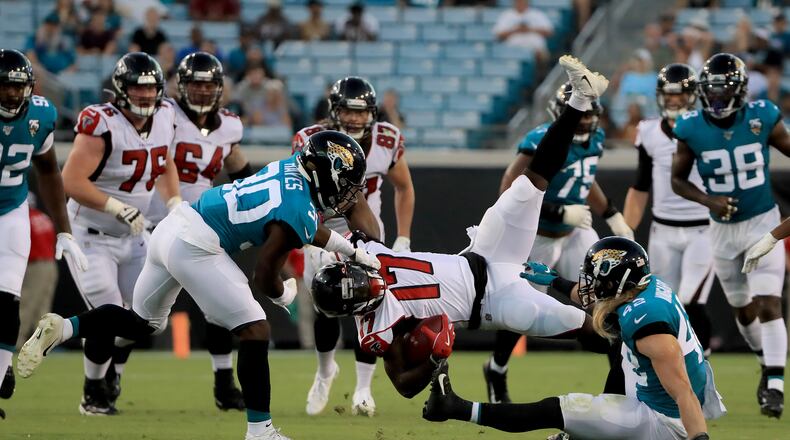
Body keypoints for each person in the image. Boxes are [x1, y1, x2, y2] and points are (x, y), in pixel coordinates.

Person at [18, 130, 382, 440]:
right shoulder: (298, 210)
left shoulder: (289, 169)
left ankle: (64, 327)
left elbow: (305, 225)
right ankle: (260, 432)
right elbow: (264, 274)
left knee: (141, 323)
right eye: (345, 182)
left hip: (174, 227)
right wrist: (283, 293)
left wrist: (347, 248)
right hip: (195, 244)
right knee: (256, 330)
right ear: (324, 173)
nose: (348, 192)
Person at [309, 55, 610, 400]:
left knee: (530, 184)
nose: (366, 286)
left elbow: (354, 203)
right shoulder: (373, 328)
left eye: (356, 281)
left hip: (483, 252)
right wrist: (434, 359)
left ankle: (580, 98)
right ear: (352, 311)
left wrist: (333, 187)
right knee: (585, 328)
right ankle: (638, 357)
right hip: (494, 303)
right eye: (359, 294)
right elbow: (404, 384)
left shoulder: (363, 252)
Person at [422, 237, 725, 440]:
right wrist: (555, 280)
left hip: (666, 422)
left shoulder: (647, 324)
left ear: (618, 280)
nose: (592, 284)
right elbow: (599, 304)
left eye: (598, 277)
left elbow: (682, 391)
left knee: (557, 409)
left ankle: (454, 407)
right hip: (663, 394)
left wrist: (698, 438)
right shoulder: (645, 290)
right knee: (619, 348)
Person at [486, 80, 633, 404]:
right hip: (538, 234)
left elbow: (585, 176)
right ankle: (497, 367)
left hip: (576, 232)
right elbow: (509, 187)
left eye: (588, 115)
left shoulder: (595, 138)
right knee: (520, 309)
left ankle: (619, 386)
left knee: (605, 300)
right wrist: (556, 209)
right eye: (578, 115)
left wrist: (611, 212)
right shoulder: (540, 138)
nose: (584, 121)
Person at [58, 52, 182, 416]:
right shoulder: (102, 123)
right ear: (120, 89)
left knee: (148, 319)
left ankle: (113, 375)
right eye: (136, 88)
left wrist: (173, 202)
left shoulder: (166, 117)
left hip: (134, 235)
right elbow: (70, 180)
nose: (145, 96)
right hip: (90, 234)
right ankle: (93, 389)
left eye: (150, 89)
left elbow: (163, 161)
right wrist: (114, 206)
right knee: (110, 314)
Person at [671, 53, 790, 418]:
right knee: (744, 308)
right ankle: (763, 360)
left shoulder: (762, 116)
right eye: (712, 93)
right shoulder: (690, 127)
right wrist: (707, 199)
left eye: (724, 93)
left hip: (762, 222)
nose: (717, 100)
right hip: (721, 232)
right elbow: (676, 179)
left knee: (769, 301)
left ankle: (775, 385)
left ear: (739, 92)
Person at [293, 76, 415, 417]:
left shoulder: (386, 139)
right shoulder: (311, 140)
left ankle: (363, 387)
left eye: (362, 113)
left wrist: (402, 237)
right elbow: (297, 189)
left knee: (370, 303)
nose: (356, 119)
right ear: (334, 111)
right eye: (349, 111)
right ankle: (325, 370)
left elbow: (404, 187)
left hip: (366, 231)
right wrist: (309, 233)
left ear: (373, 113)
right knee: (324, 305)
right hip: (322, 227)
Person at [145, 52, 254, 411]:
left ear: (220, 88)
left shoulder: (228, 127)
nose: (203, 91)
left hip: (204, 225)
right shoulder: (164, 115)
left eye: (209, 85)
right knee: (141, 316)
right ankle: (103, 376)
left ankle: (224, 382)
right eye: (195, 83)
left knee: (221, 304)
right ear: (181, 85)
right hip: (156, 221)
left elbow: (238, 169)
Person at [0, 49, 87, 419]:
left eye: (17, 88)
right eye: (4, 88)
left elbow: (49, 171)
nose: (11, 96)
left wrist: (64, 230)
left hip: (10, 210)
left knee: (6, 301)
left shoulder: (41, 114)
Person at [623, 63, 714, 355]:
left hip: (703, 229)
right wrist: (626, 233)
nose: (674, 100)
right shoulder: (649, 131)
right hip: (662, 230)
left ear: (693, 96)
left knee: (690, 302)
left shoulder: (707, 126)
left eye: (680, 95)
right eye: (669, 95)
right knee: (662, 305)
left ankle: (703, 369)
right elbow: (639, 186)